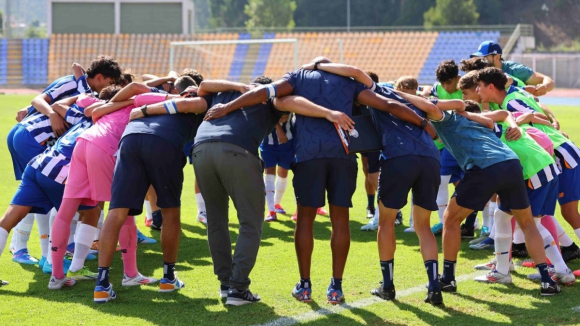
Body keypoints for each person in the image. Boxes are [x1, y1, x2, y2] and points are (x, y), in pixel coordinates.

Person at [204, 57, 436, 304]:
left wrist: (226, 108)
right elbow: (389, 104)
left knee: (305, 220)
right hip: (342, 156)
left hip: (308, 155)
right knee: (340, 221)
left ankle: (304, 285)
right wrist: (423, 122)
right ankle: (336, 287)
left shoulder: (298, 77)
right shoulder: (348, 82)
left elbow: (266, 92)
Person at [305, 62, 444, 305]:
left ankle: (387, 286)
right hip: (430, 157)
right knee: (423, 226)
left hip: (399, 157)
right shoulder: (400, 94)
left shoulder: (374, 91)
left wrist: (317, 64)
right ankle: (434, 287)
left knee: (387, 223)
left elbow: (357, 73)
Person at [422, 93, 561, 295]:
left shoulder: (453, 119)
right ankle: (546, 281)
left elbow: (437, 120)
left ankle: (449, 278)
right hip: (515, 165)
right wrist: (510, 123)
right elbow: (498, 115)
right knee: (527, 223)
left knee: (450, 219)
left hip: (490, 166)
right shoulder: (484, 121)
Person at [93, 78, 205, 304]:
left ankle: (102, 285)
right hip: (164, 142)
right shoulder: (201, 102)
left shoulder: (153, 95)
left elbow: (135, 88)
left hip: (130, 139)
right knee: (170, 211)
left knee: (117, 211)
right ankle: (168, 277)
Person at [477, 67, 580, 271]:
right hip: (553, 152)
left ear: (490, 86)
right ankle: (543, 258)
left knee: (567, 212)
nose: (477, 91)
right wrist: (550, 122)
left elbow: (535, 115)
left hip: (560, 154)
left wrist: (520, 121)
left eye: (478, 87)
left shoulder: (510, 101)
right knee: (534, 213)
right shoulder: (514, 93)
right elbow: (540, 110)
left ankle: (552, 261)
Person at [471, 41, 555, 96]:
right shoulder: (480, 71)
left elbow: (546, 79)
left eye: (485, 57)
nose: (482, 60)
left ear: (496, 57)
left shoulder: (515, 70)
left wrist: (545, 86)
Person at [261, 114, 295, 222]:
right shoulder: (269, 101)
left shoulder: (291, 99)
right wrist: (278, 127)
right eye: (282, 116)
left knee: (284, 172)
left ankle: (276, 204)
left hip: (287, 142)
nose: (283, 119)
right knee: (269, 172)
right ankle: (271, 211)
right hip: (268, 142)